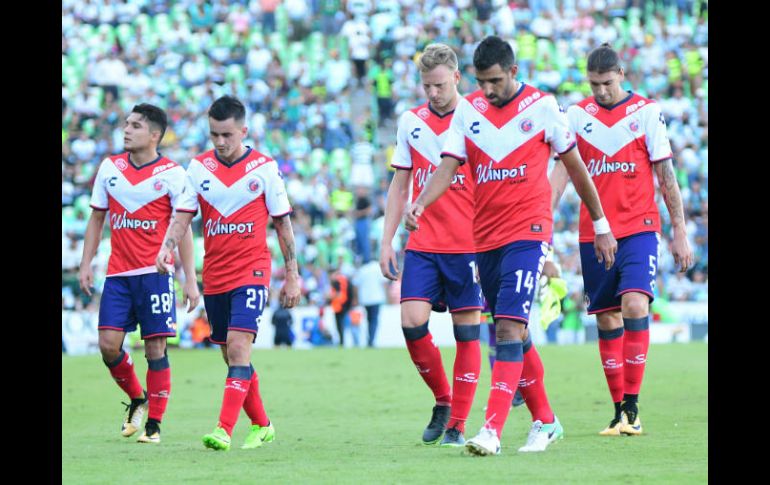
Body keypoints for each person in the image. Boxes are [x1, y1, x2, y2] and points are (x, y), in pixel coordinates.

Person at [407, 36, 617, 455]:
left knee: (505, 328)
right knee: (515, 334)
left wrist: (601, 222)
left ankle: (491, 431)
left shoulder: (542, 107)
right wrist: (421, 203)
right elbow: (447, 167)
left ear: (514, 72)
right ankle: (546, 421)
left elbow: (575, 168)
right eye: (482, 81)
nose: (487, 89)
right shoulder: (468, 110)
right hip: (484, 238)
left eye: (496, 81)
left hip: (529, 232)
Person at [550, 43, 693, 437]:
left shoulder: (646, 113)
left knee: (633, 303)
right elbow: (561, 175)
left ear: (622, 75)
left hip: (640, 227)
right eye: (594, 84)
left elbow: (666, 176)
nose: (601, 91)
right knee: (608, 318)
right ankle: (618, 411)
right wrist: (542, 221)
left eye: (607, 83)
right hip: (593, 231)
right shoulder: (576, 116)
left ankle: (632, 406)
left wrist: (679, 229)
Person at [155, 95, 302, 451]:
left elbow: (282, 225)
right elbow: (183, 215)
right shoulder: (198, 168)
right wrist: (167, 246)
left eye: (227, 135)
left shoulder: (265, 168)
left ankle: (223, 429)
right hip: (216, 275)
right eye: (214, 135)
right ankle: (263, 425)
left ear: (244, 131)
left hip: (252, 270)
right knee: (231, 355)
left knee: (238, 349)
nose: (220, 142)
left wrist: (292, 274)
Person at [380, 43, 483, 448]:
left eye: (439, 85)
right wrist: (387, 240)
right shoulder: (411, 121)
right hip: (423, 241)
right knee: (411, 323)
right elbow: (399, 183)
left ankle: (458, 423)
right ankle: (443, 400)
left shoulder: (477, 117)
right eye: (426, 86)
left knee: (467, 333)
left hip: (469, 243)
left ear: (456, 78)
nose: (433, 93)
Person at [78, 103, 200, 444]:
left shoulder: (173, 174)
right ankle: (137, 398)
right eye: (126, 124)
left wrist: (190, 278)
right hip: (118, 274)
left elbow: (184, 227)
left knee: (155, 348)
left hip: (155, 273)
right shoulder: (109, 168)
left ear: (154, 135)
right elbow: (97, 218)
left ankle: (154, 426)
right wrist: (87, 263)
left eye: (135, 126)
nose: (126, 130)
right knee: (107, 345)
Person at [352, 252, 387, 347]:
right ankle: (371, 340)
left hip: (365, 299)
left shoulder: (362, 270)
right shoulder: (377, 268)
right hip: (376, 298)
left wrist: (356, 298)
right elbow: (384, 283)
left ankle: (370, 339)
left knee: (369, 319)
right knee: (374, 320)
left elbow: (355, 285)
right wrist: (387, 296)